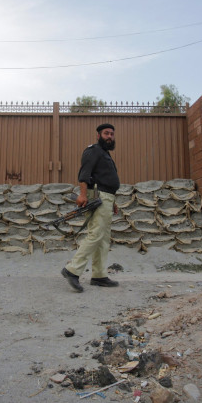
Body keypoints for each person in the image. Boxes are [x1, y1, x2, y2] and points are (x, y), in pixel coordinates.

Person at [61, 123, 120, 292]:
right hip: (99, 198)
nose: (109, 136)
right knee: (95, 234)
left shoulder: (105, 154)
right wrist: (82, 195)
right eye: (106, 133)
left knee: (103, 238)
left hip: (107, 198)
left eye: (111, 134)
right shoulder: (93, 151)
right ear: (98, 135)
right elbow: (84, 174)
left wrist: (113, 202)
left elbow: (106, 181)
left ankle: (99, 275)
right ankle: (72, 270)